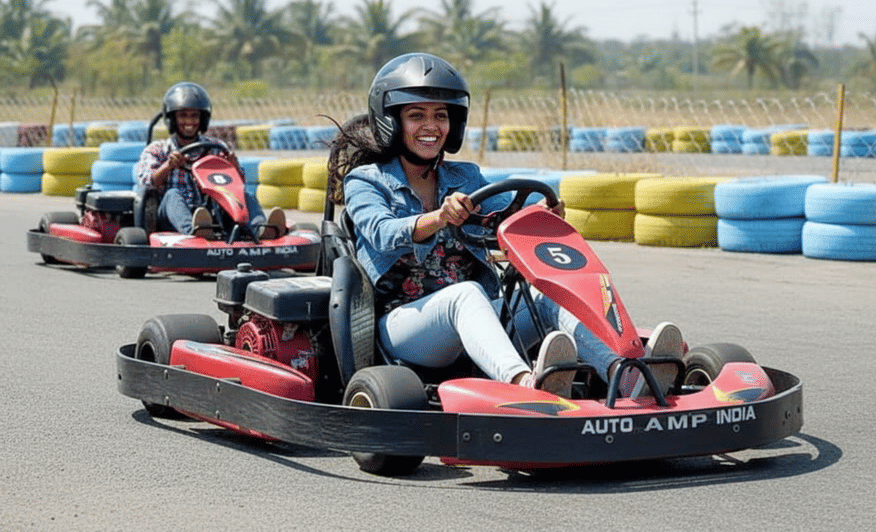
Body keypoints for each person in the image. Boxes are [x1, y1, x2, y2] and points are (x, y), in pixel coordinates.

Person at [330, 53, 684, 398]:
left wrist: (540, 212)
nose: (431, 126)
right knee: (465, 294)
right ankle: (526, 386)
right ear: (391, 121)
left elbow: (505, 212)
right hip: (404, 327)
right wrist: (440, 217)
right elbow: (382, 233)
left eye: (441, 115)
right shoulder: (366, 181)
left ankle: (625, 376)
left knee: (545, 295)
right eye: (416, 115)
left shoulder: (464, 177)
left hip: (475, 318)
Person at [135, 82, 286, 240]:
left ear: (203, 119)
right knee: (172, 194)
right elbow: (147, 183)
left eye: (194, 116)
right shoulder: (158, 150)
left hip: (211, 214)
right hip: (171, 217)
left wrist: (233, 168)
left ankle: (261, 229)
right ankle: (195, 231)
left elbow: (237, 186)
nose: (189, 121)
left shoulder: (216, 148)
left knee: (244, 195)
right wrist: (168, 166)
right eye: (183, 116)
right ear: (172, 119)